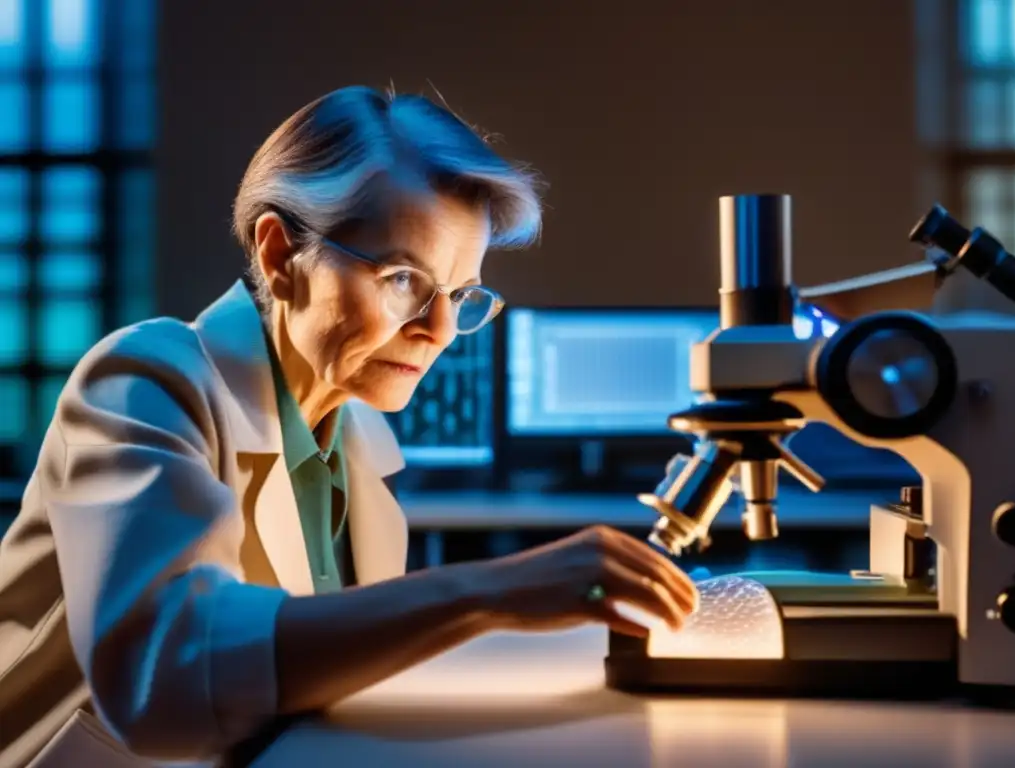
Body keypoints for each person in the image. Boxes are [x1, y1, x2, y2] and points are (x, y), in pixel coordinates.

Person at [0, 86, 696, 766]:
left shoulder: (353, 445)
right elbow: (168, 683)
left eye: (461, 295)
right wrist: (492, 592)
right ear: (279, 257)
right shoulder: (143, 383)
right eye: (402, 279)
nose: (442, 330)